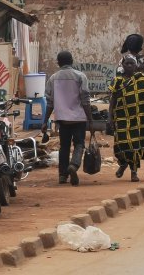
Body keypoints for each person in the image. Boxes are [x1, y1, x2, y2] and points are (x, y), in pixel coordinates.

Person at [42, 51, 92, 186]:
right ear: (72, 61)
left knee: (64, 146)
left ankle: (62, 175)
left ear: (58, 62)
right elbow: (86, 100)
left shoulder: (53, 78)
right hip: (79, 118)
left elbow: (50, 103)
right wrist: (90, 119)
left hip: (62, 119)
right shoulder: (80, 76)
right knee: (79, 144)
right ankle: (74, 165)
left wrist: (45, 121)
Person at [108, 54, 144, 182]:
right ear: (122, 65)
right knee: (121, 145)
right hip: (121, 118)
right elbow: (112, 100)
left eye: (132, 63)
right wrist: (110, 118)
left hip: (139, 120)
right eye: (127, 63)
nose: (129, 66)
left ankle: (133, 172)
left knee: (135, 145)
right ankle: (123, 164)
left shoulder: (141, 79)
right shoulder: (117, 81)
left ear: (136, 65)